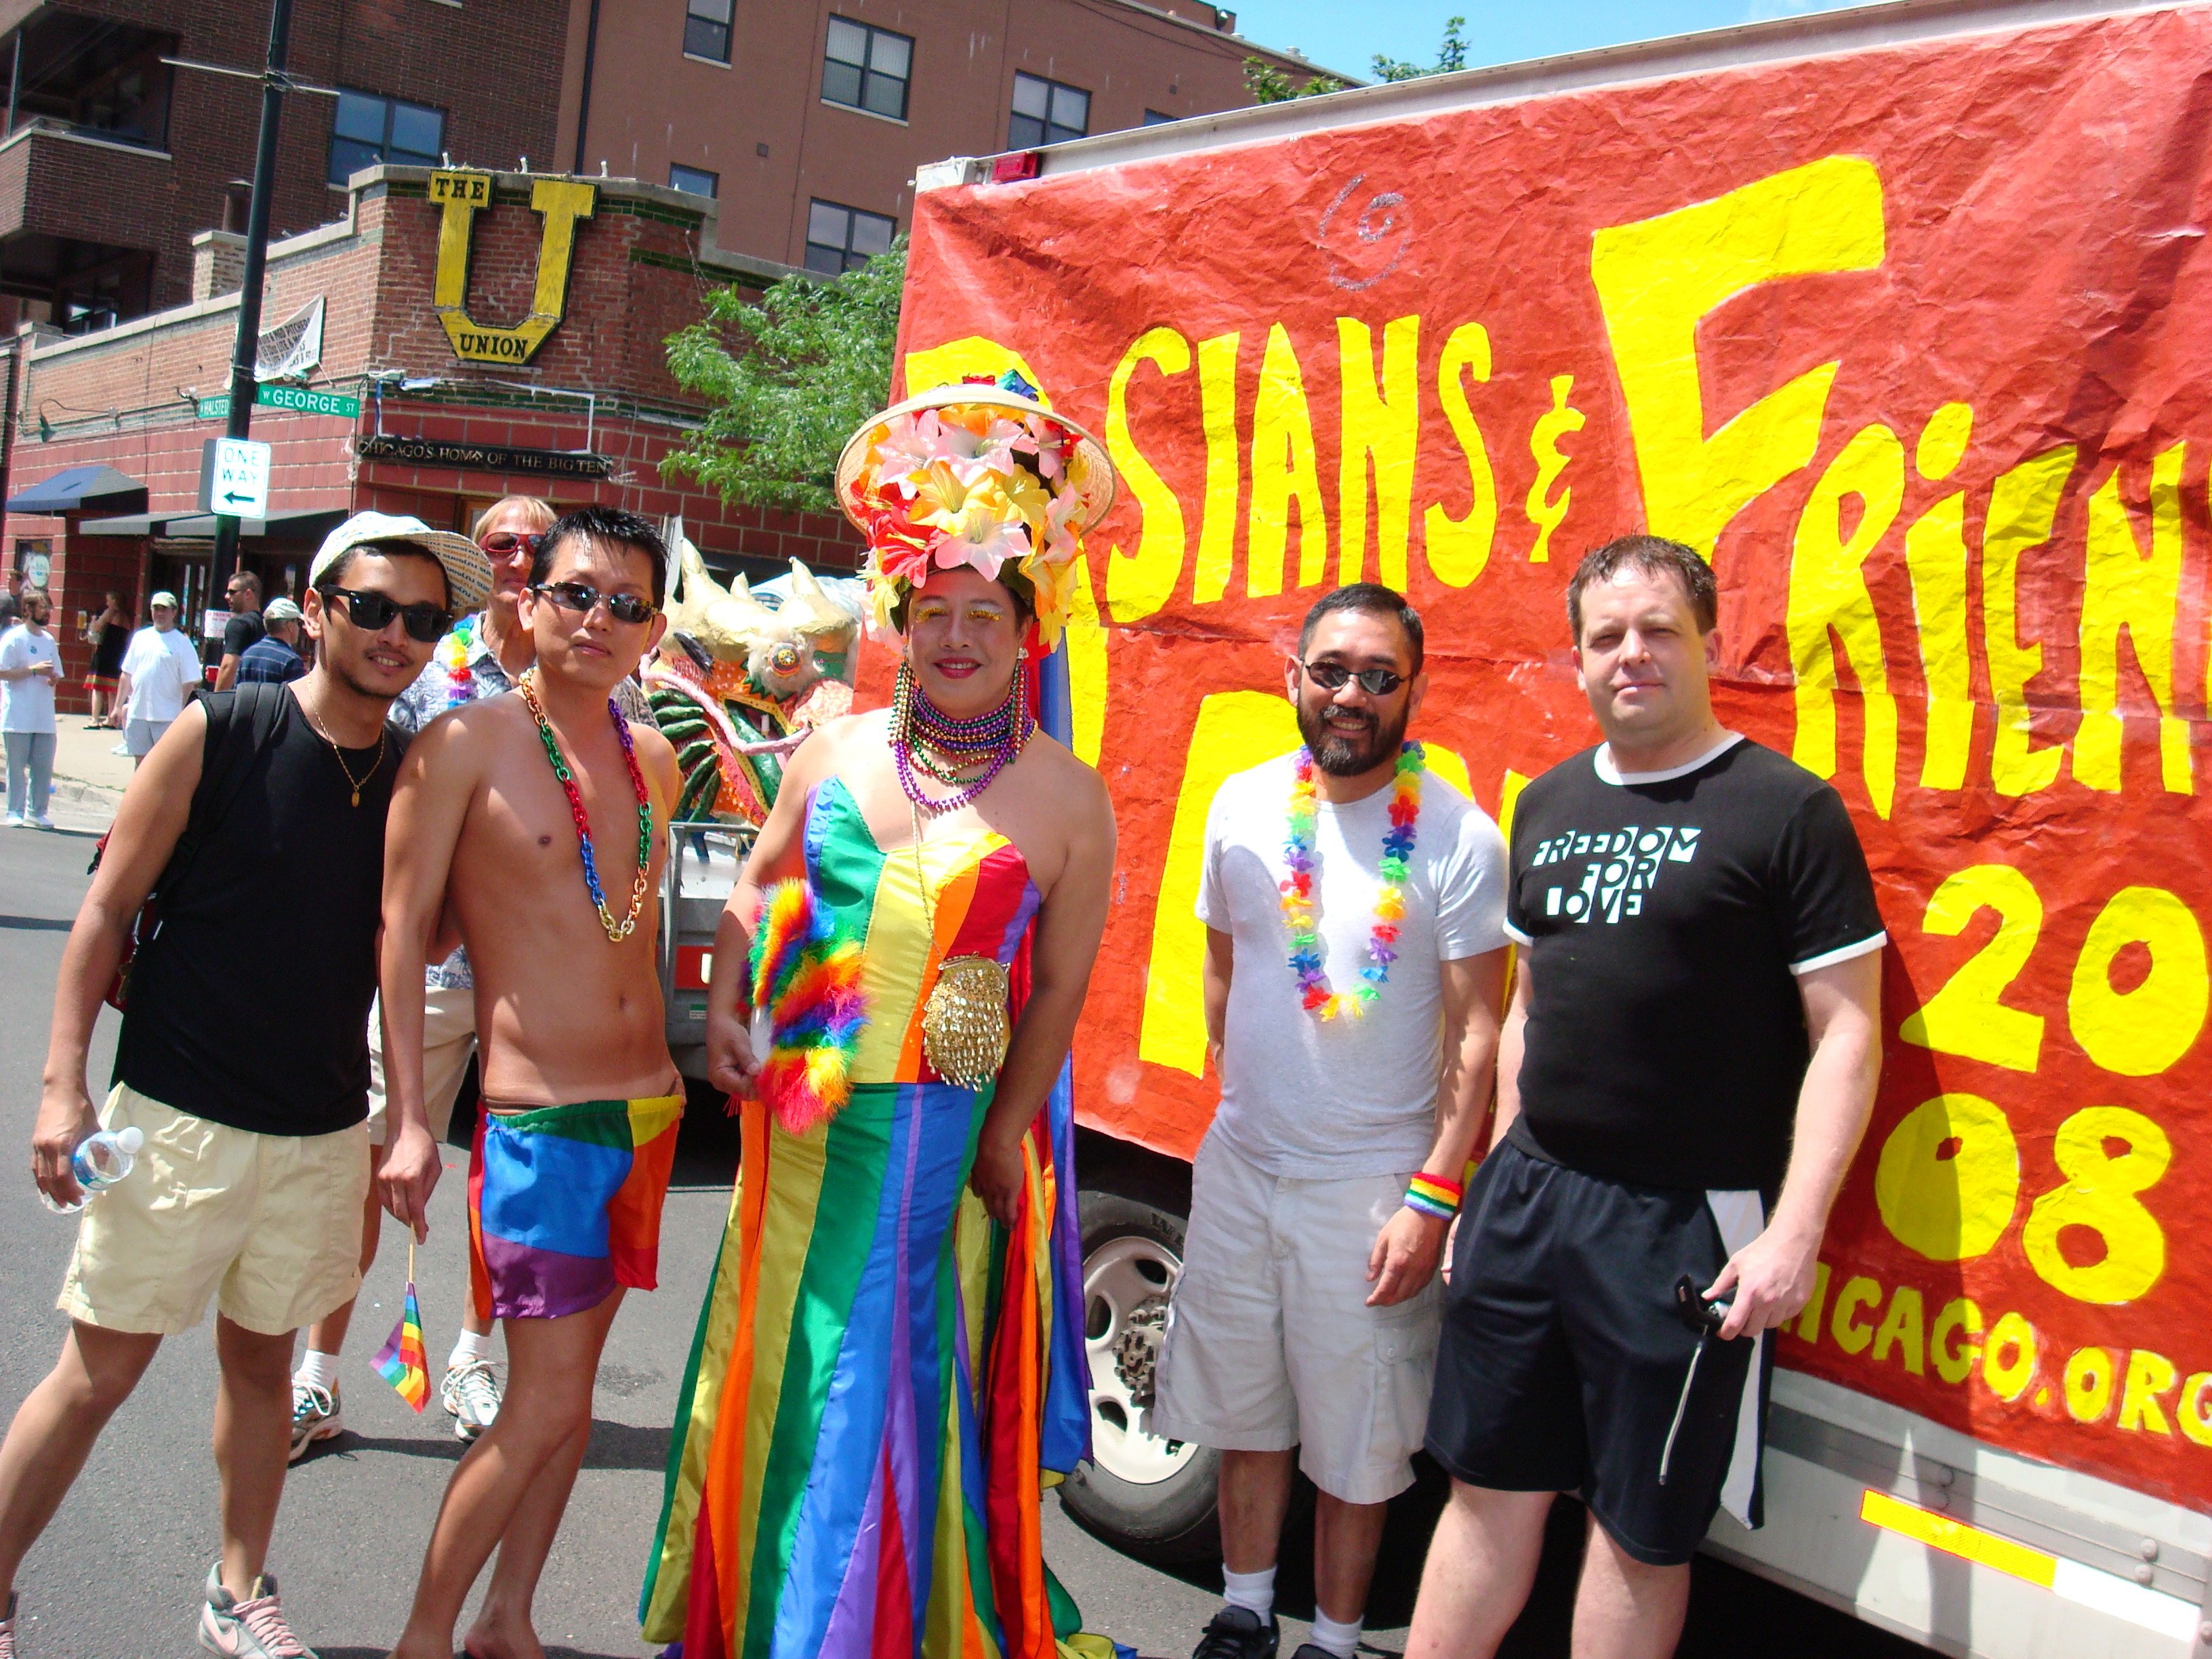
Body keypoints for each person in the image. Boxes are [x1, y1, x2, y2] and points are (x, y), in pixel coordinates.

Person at [639, 377, 1119, 1659]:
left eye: (983, 617)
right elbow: (758, 885)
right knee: (783, 1321)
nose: (955, 637)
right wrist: (729, 1008)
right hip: (797, 1094)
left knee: (867, 1341)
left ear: (1028, 638)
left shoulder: (1066, 798)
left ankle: (829, 1624)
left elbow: (1054, 986)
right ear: (901, 624)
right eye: (934, 615)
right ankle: (766, 1597)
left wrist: (1007, 1132)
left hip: (936, 1107)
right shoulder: (835, 747)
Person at [0, 513, 487, 1659]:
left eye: (423, 619)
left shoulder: (420, 765)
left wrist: (410, 1121)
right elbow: (107, 908)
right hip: (177, 1109)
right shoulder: (225, 726)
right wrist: (61, 1088)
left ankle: (236, 1588)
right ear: (317, 607)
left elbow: (406, 946)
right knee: (100, 1368)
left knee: (264, 1363)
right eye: (373, 608)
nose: (397, 636)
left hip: (321, 1123)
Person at [1407, 536, 1885, 1659]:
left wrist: (1793, 1232)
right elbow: (1530, 1008)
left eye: (1657, 629)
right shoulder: (1551, 800)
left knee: (1637, 1530)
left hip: (1681, 1223)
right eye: (1604, 635)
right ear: (1574, 659)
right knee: (1484, 1487)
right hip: (1527, 1200)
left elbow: (1847, 1032)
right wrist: (1485, 1182)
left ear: (1708, 644)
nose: (1631, 654)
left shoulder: (1783, 812)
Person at [1151, 584, 1509, 1659]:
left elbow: (1480, 1034)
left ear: (1414, 690)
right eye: (1334, 671)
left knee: (1359, 1440)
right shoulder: (1240, 803)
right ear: (1293, 675)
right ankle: (1246, 1611)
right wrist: (1244, 1096)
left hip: (1372, 1188)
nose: (1352, 695)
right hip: (1245, 1165)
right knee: (1246, 1411)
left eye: (1379, 677)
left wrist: (1433, 1196)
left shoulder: (1458, 836)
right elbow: (1223, 958)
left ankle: (1337, 1642)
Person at [381, 505, 685, 1659]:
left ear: (651, 627)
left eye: (626, 604)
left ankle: (507, 1619)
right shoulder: (463, 745)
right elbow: (402, 936)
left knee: (568, 1401)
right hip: (540, 1117)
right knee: (542, 1402)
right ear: (527, 598)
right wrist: (413, 1118)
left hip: (648, 1106)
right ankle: (422, 1637)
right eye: (576, 592)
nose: (597, 619)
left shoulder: (650, 754)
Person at [289, 495, 562, 1459]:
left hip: (542, 982)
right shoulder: (430, 671)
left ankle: (469, 1357)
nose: (525, 559)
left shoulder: (596, 678)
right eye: (505, 545)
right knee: (374, 1166)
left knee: (509, 1178)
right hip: (435, 970)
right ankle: (317, 1379)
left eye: (542, 544)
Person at [114, 592, 201, 764]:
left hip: (167, 716)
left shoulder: (182, 643)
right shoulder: (140, 638)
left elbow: (189, 682)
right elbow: (127, 674)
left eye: (164, 609)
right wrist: (118, 706)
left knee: (163, 764)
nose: (159, 613)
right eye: (156, 609)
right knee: (140, 762)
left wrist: (181, 713)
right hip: (138, 712)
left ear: (174, 612)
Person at [0, 588, 62, 830]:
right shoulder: (13, 639)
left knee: (43, 766)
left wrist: (53, 678)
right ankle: (15, 810)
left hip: (43, 715)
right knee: (16, 767)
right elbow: (2, 671)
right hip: (18, 715)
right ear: (27, 610)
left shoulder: (48, 640)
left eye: (48, 608)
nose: (47, 613)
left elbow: (56, 671)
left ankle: (37, 811)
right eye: (42, 608)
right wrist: (33, 670)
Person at [213, 570, 266, 693]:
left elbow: (229, 666)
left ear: (248, 594)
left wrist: (216, 701)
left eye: (232, 592)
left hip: (240, 697)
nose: (227, 596)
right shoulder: (266, 625)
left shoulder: (237, 624)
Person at [81, 592, 129, 724]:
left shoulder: (110, 612)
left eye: (108, 600)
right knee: (113, 688)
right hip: (119, 653)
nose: (107, 603)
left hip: (105, 651)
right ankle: (111, 719)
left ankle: (95, 718)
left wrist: (94, 619)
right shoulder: (125, 616)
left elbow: (97, 627)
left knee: (98, 687)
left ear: (114, 600)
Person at [236, 598, 306, 685]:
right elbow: (294, 697)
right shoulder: (292, 661)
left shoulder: (247, 655)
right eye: (298, 622)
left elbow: (237, 693)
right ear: (290, 626)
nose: (299, 628)